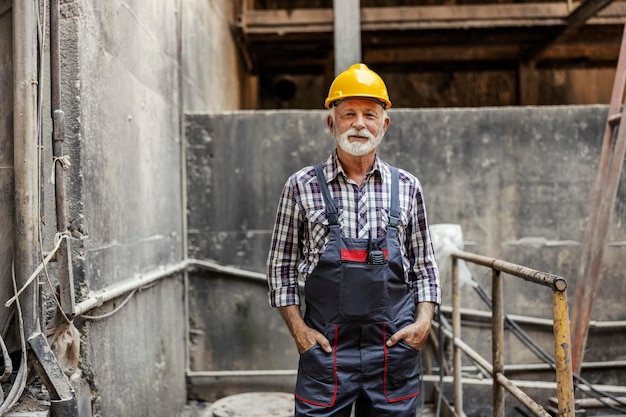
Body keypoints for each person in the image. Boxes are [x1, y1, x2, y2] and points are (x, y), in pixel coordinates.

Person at [266, 63, 441, 417]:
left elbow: (424, 264)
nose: (359, 123)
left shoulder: (407, 187)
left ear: (384, 124)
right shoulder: (301, 186)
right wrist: (299, 332)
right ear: (332, 123)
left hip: (393, 352)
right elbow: (279, 268)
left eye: (369, 114)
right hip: (327, 354)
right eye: (348, 114)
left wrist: (423, 322)